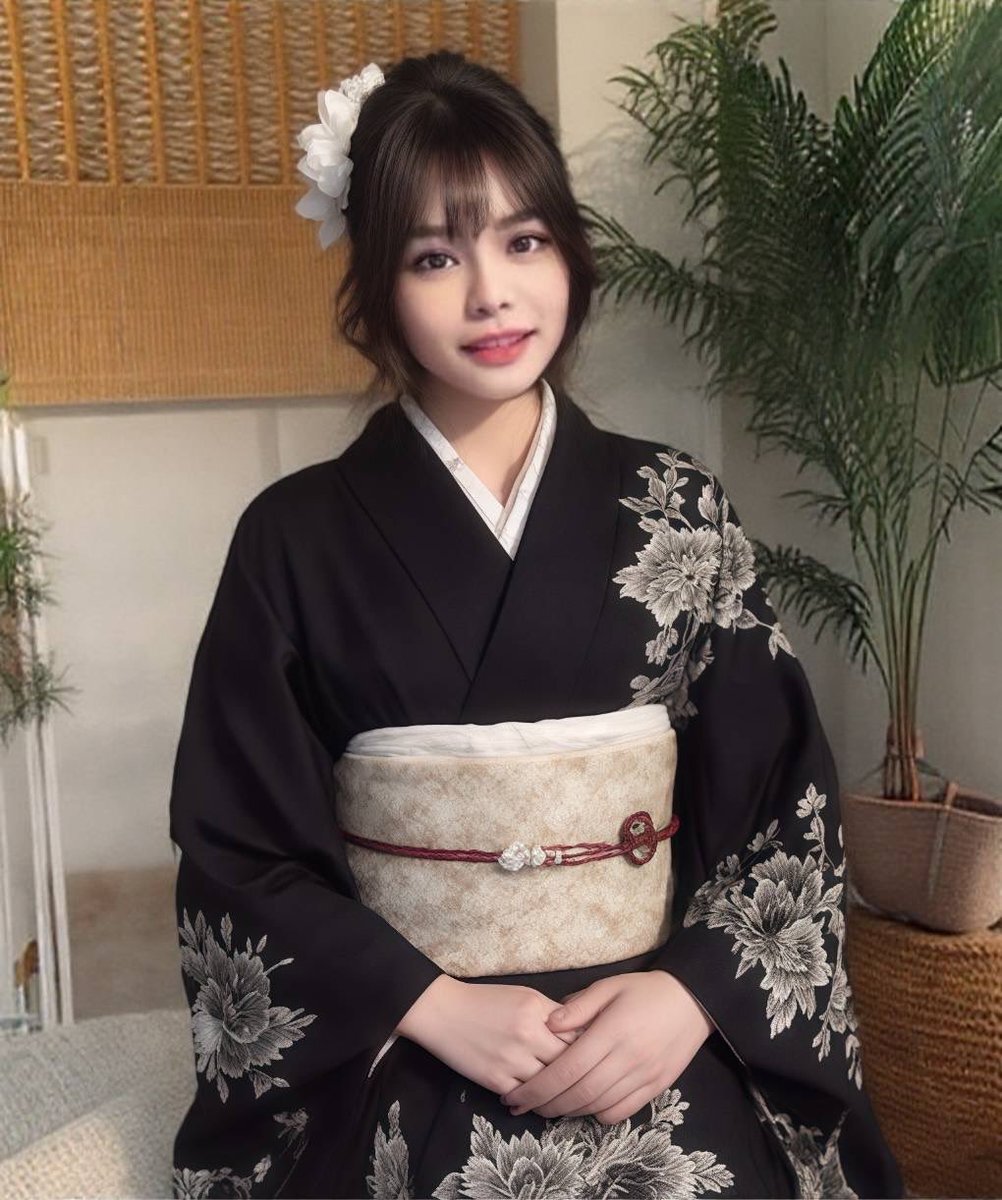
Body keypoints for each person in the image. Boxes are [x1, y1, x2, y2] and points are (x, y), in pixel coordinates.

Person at [169, 50, 903, 1200]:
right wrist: (426, 1003)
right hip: (409, 1040)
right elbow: (238, 852)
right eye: (435, 257)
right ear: (374, 286)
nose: (492, 295)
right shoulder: (291, 538)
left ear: (570, 253)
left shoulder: (675, 506)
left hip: (649, 1026)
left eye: (524, 242)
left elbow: (782, 802)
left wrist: (692, 994)